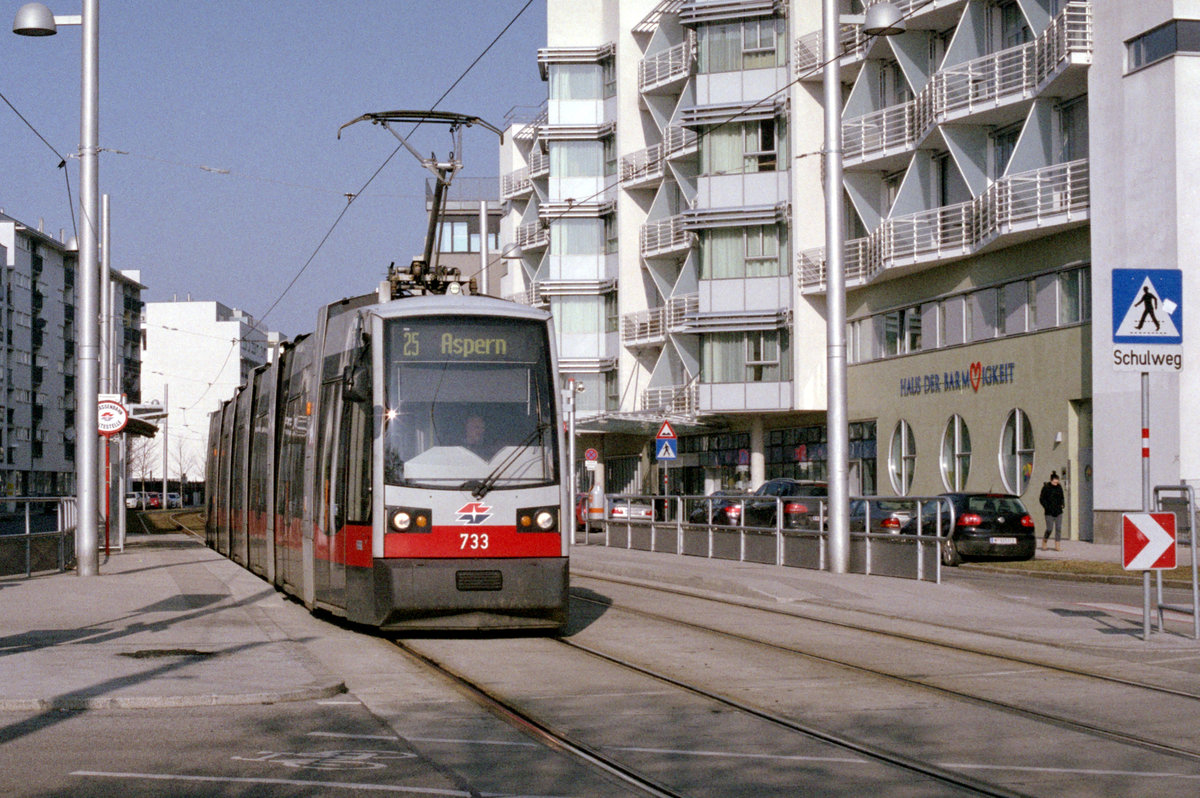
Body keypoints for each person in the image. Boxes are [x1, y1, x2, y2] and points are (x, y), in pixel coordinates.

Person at [1039, 471, 1065, 551]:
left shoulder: (1059, 487)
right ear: (1051, 480)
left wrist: (1062, 504)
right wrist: (1046, 507)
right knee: (1049, 528)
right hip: (1049, 512)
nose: (1056, 482)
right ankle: (1044, 541)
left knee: (1058, 528)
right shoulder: (1046, 487)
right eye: (1054, 481)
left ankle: (1057, 545)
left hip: (1058, 511)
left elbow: (1062, 497)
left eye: (1057, 481)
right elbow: (1041, 499)